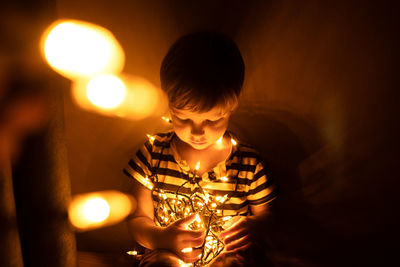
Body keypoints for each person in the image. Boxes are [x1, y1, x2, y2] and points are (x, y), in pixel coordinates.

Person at [124, 32, 277, 267]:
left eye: (212, 121)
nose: (197, 132)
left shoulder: (248, 165)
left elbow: (268, 217)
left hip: (227, 258)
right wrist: (162, 238)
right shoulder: (152, 154)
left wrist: (255, 227)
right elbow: (137, 218)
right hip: (166, 254)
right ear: (169, 104)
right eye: (183, 118)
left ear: (232, 107)